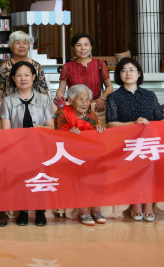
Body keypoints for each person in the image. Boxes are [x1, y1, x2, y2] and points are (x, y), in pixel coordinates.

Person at [106, 57, 164, 222]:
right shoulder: (114, 97)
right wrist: (132, 123)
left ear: (139, 73)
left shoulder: (149, 95)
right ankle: (137, 204)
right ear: (119, 75)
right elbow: (111, 123)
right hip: (127, 143)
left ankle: (148, 205)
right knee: (134, 166)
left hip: (149, 141)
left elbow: (160, 120)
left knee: (150, 167)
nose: (128, 73)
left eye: (131, 70)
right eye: (123, 70)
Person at [0, 60, 55, 227]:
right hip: (16, 148)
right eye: (19, 75)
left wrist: (41, 128)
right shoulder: (7, 101)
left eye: (26, 75)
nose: (23, 78)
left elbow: (51, 127)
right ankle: (22, 211)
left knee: (41, 175)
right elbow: (6, 132)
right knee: (19, 176)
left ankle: (40, 211)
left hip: (41, 148)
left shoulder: (44, 100)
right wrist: (18, 149)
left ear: (34, 77)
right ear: (13, 79)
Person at [53, 84, 106, 227]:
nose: (85, 103)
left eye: (87, 100)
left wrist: (99, 129)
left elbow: (95, 139)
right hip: (69, 155)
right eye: (80, 99)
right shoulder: (61, 113)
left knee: (98, 169)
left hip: (88, 154)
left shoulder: (92, 115)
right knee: (81, 171)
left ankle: (96, 209)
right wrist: (69, 133)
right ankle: (83, 211)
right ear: (70, 100)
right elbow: (56, 136)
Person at [54, 33, 114, 112]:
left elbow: (109, 86)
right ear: (73, 48)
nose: (83, 48)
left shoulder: (100, 64)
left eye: (86, 44)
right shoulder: (67, 67)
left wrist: (102, 98)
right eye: (79, 45)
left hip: (95, 108)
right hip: (74, 109)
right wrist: (59, 98)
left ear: (91, 47)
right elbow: (61, 90)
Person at [0, 30, 50, 102]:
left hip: (34, 106)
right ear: (11, 47)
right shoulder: (4, 67)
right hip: (10, 106)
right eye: (18, 43)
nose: (22, 46)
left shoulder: (37, 67)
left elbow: (44, 92)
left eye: (25, 43)